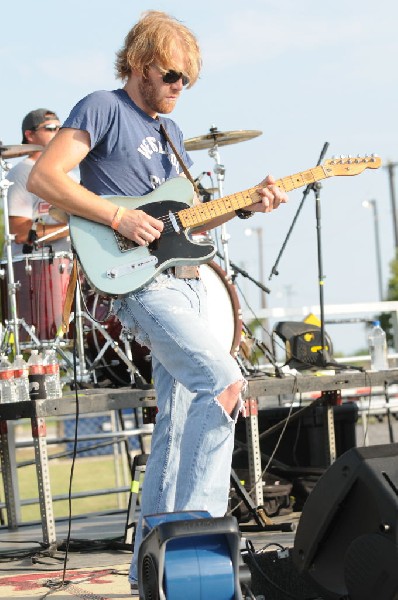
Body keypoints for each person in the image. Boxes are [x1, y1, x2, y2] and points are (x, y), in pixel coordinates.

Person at [27, 10, 288, 595]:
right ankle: (200, 548)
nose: (178, 89)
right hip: (142, 282)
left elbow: (185, 218)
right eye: (171, 76)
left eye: (186, 81)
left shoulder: (169, 137)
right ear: (141, 65)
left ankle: (154, 571)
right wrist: (116, 213)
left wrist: (249, 202)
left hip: (188, 279)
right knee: (222, 381)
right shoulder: (103, 106)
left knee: (173, 423)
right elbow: (46, 178)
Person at [6, 108, 70, 256]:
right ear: (29, 135)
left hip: (70, 267)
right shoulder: (21, 173)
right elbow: (20, 233)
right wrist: (74, 229)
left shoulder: (69, 175)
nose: (57, 132)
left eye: (60, 128)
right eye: (50, 128)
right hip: (34, 271)